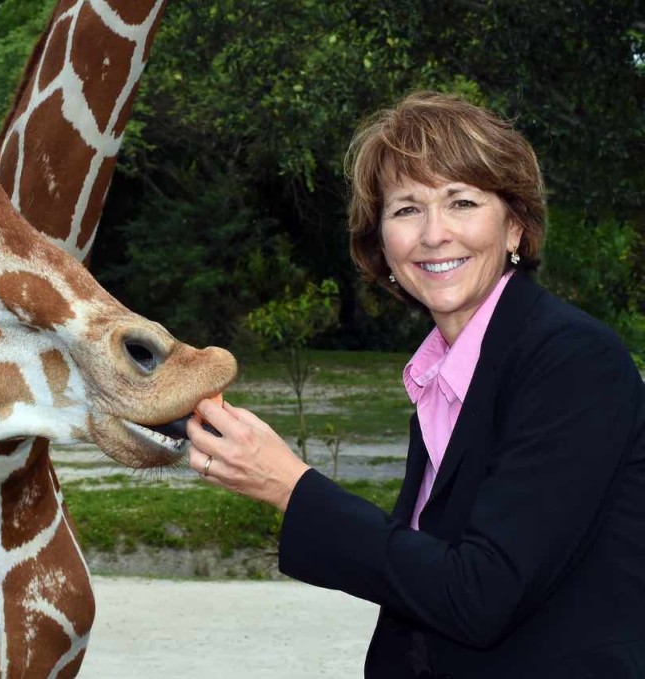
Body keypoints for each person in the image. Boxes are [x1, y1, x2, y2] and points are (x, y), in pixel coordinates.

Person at [187, 91, 645, 677]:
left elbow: (479, 595)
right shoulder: (444, 374)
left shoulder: (573, 361)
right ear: (381, 244)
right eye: (406, 209)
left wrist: (290, 486)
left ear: (516, 228)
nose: (434, 234)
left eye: (461, 202)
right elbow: (421, 590)